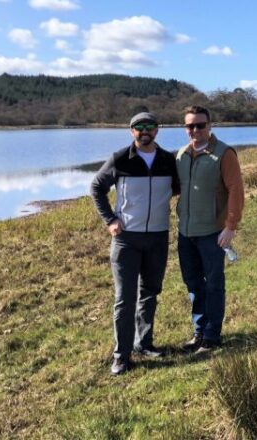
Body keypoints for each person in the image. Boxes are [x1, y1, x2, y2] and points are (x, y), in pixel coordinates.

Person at [90, 112, 180, 375]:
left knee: (150, 292)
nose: (144, 131)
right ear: (131, 132)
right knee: (124, 298)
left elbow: (176, 187)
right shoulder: (120, 159)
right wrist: (110, 219)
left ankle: (145, 343)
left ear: (157, 130)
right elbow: (96, 187)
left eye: (149, 127)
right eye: (138, 127)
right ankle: (121, 355)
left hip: (157, 237)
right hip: (126, 240)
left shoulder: (168, 160)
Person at [176, 105, 244, 353]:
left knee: (214, 284)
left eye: (200, 125)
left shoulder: (224, 154)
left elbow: (236, 190)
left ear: (210, 126)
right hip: (185, 233)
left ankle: (212, 337)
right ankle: (199, 332)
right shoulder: (182, 155)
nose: (195, 130)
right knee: (193, 284)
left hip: (213, 233)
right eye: (190, 126)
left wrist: (230, 227)